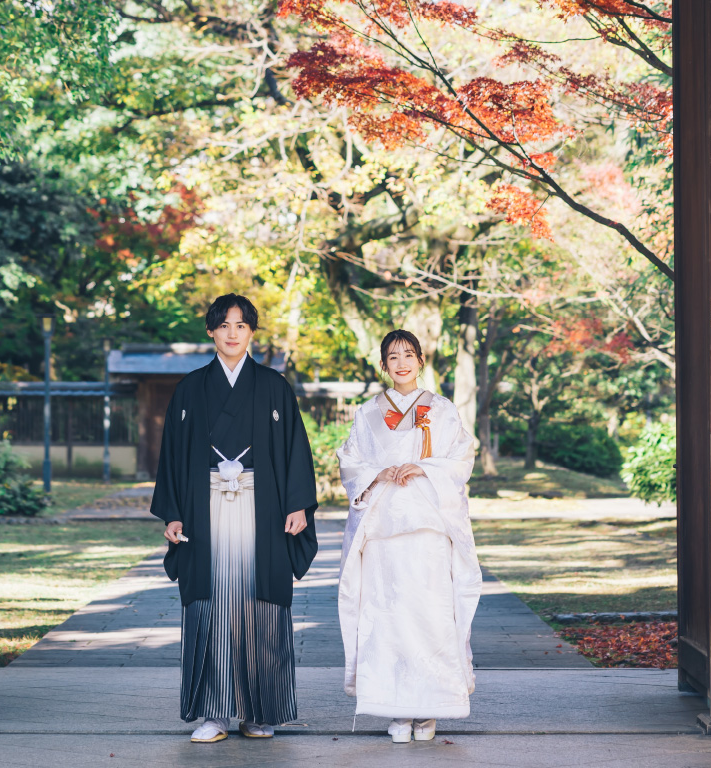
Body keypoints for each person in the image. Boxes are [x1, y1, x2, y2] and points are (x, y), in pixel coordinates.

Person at [150, 294, 319, 743]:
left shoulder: (273, 385)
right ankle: (214, 713)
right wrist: (173, 513)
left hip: (262, 505)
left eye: (241, 325)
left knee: (260, 604)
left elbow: (295, 449)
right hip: (203, 506)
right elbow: (172, 456)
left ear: (251, 333)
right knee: (210, 604)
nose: (232, 333)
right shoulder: (190, 388)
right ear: (211, 330)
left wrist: (298, 504)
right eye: (223, 325)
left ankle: (260, 711)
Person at [336, 330, 482, 743]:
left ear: (420, 360)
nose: (401, 363)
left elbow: (462, 458)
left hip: (428, 527)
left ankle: (431, 706)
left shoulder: (442, 409)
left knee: (431, 615)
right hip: (383, 530)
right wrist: (378, 473)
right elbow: (351, 461)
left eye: (408, 355)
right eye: (393, 356)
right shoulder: (368, 413)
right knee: (385, 619)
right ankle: (396, 708)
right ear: (383, 364)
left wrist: (424, 468)